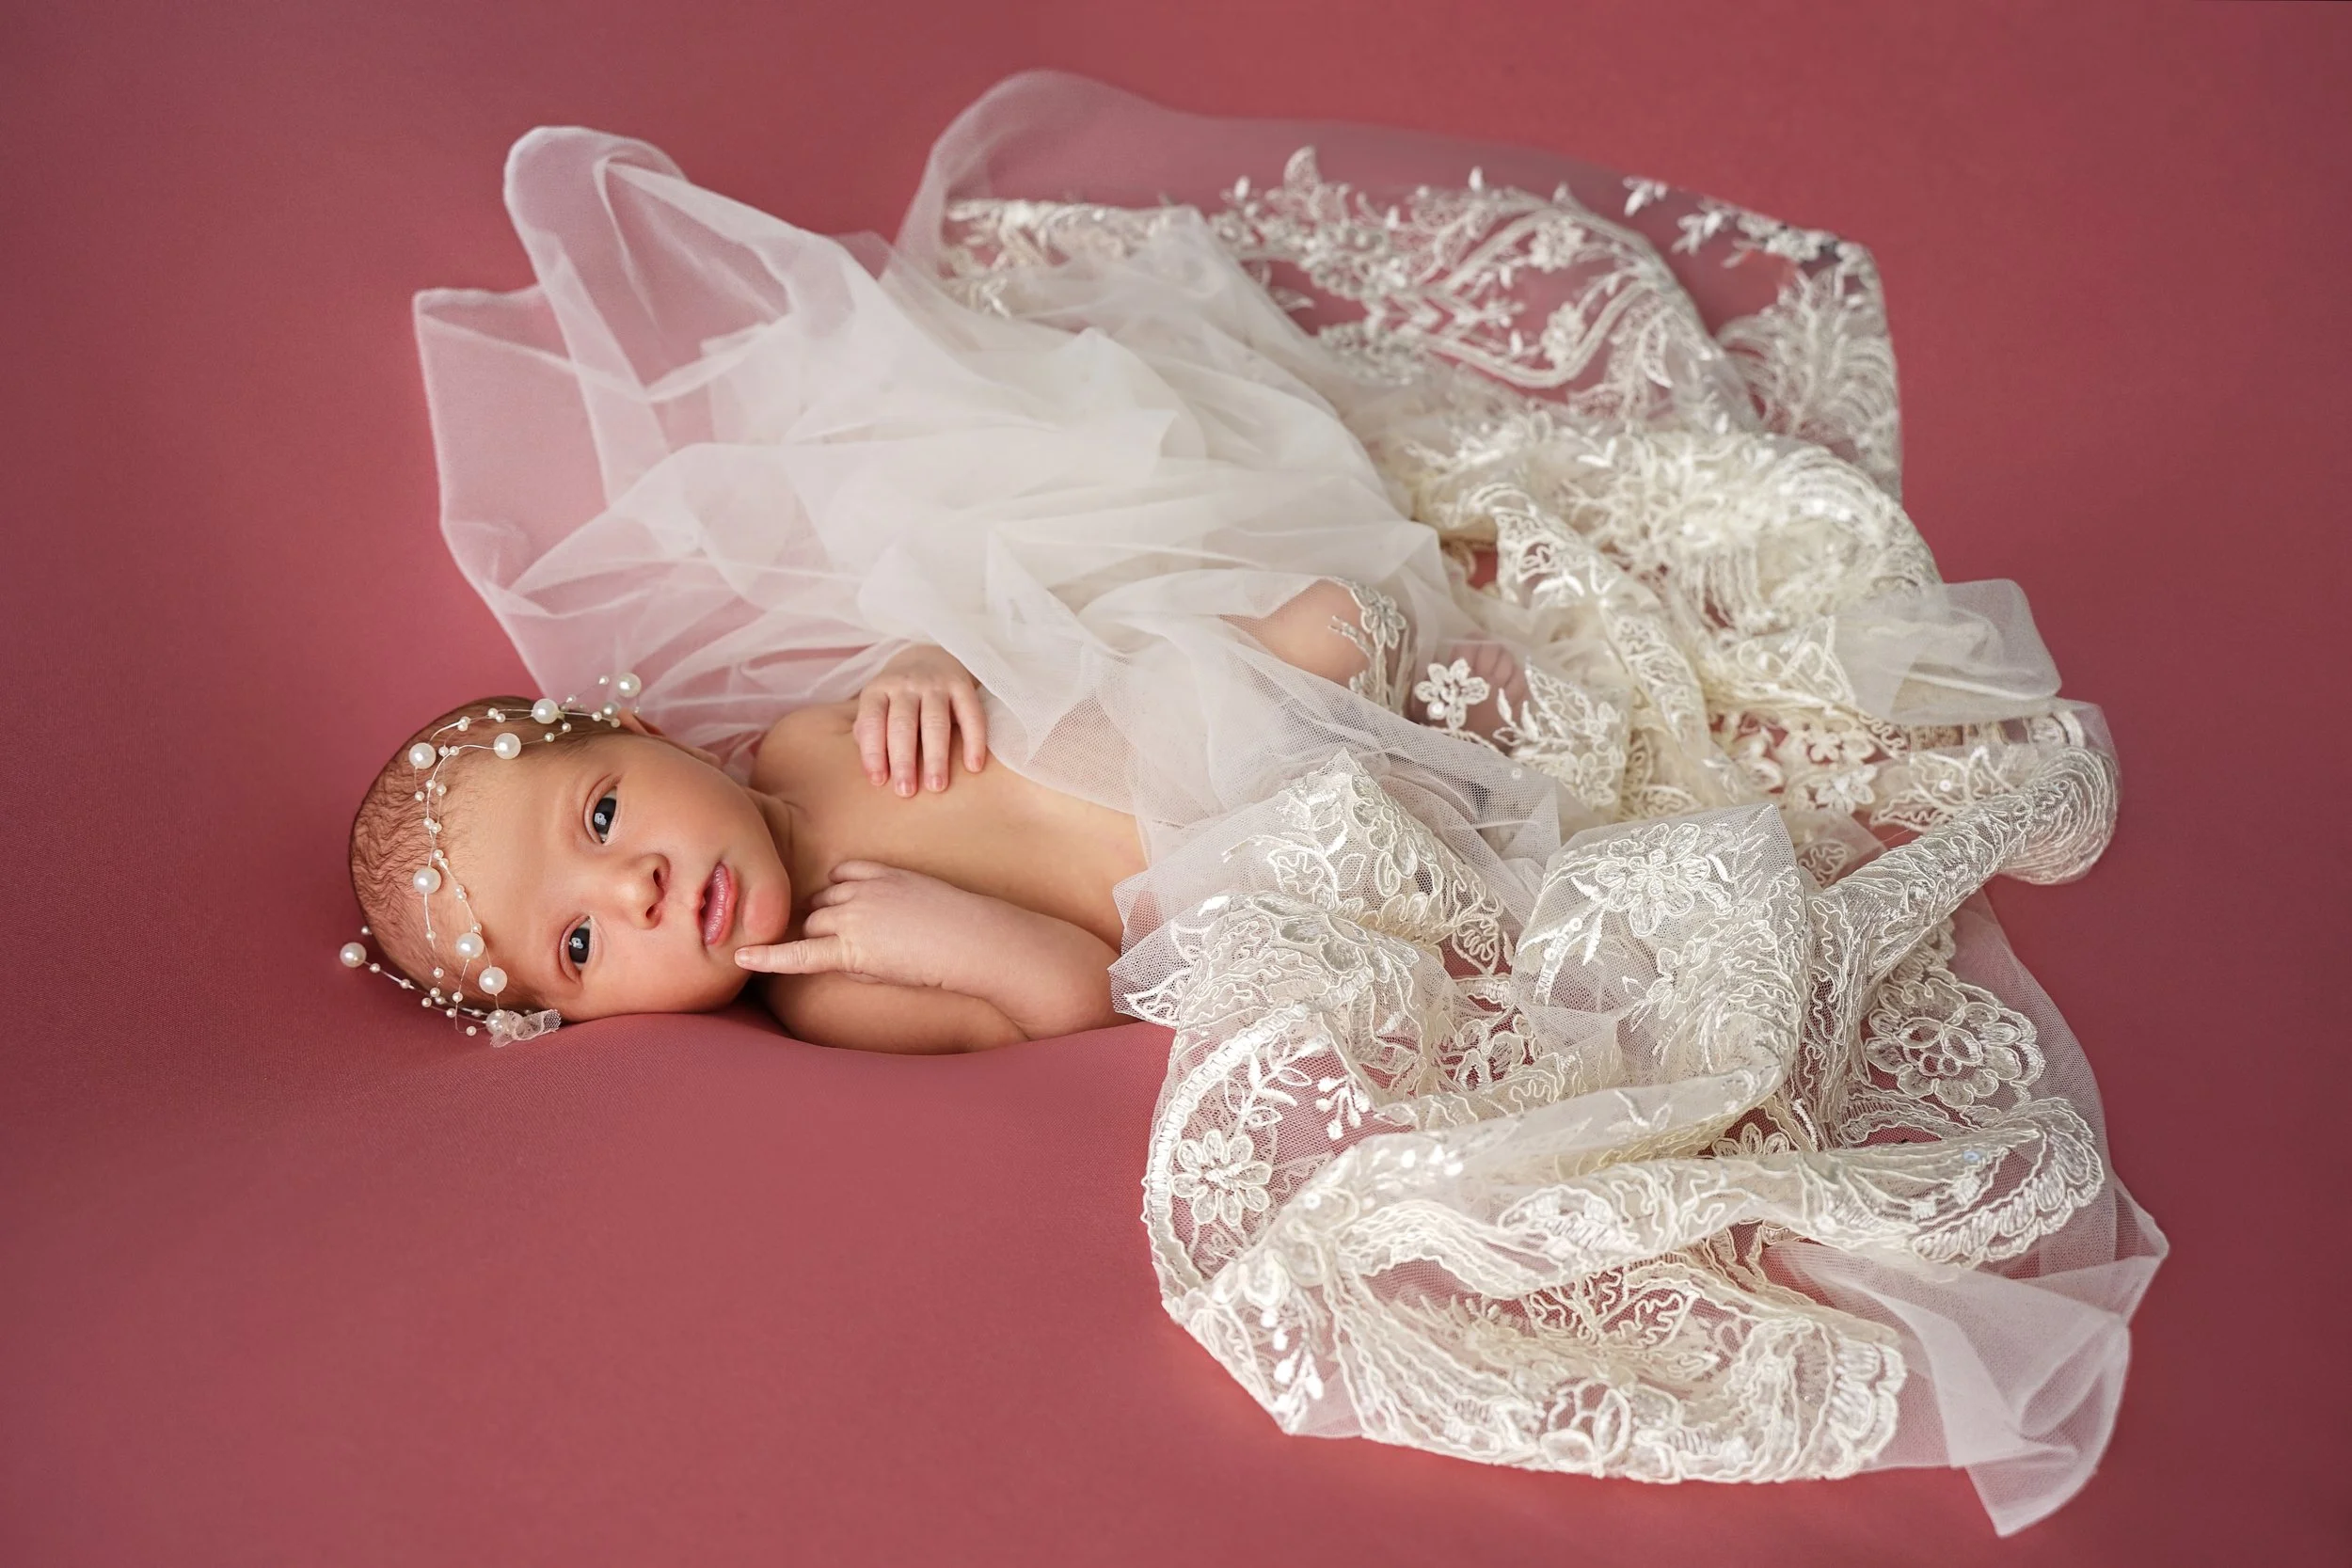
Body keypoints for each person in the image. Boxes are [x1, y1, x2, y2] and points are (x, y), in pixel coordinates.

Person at [344, 71, 2166, 1536]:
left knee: (1298, 633)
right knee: (1409, 821)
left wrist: (923, 668)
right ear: (588, 1014)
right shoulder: (832, 981)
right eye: (578, 944)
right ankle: (1433, 737)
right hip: (1215, 853)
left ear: (638, 731)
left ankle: (1393, 657)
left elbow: (989, 650)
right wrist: (949, 931)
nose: (639, 888)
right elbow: (1064, 993)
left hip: (1184, 702)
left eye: (601, 816)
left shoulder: (806, 748)